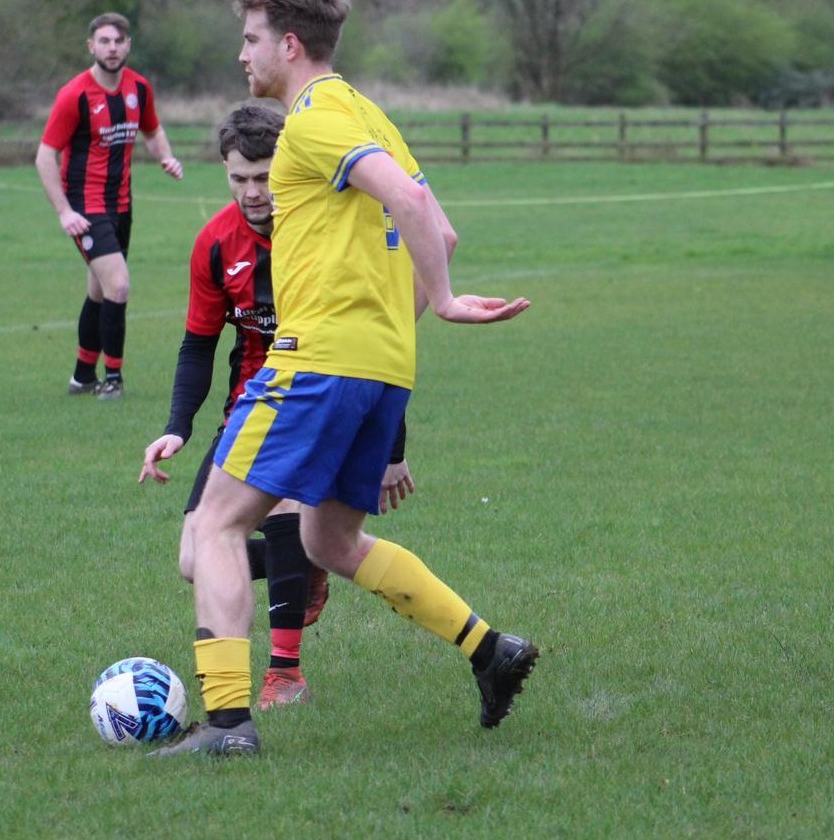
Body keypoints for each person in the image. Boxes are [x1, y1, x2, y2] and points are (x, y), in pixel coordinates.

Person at [150, 0, 536, 758]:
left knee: (214, 526)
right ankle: (490, 650)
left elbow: (414, 202)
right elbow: (441, 225)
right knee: (330, 538)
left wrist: (449, 300)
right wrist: (398, 322)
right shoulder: (370, 113)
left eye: (251, 38)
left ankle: (226, 725)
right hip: (382, 367)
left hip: (317, 360)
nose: (242, 54)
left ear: (289, 43)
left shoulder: (316, 116)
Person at [139, 103, 418, 712]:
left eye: (264, 176)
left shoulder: (323, 233)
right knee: (194, 559)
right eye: (239, 178)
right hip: (250, 405)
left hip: (320, 398)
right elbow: (198, 344)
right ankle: (307, 564)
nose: (253, 191)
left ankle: (284, 673)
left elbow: (381, 337)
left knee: (285, 505)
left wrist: (393, 448)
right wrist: (177, 428)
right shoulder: (215, 242)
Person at [35, 11, 184, 401]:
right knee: (118, 284)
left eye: (118, 41)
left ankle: (83, 376)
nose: (112, 48)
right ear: (91, 46)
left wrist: (165, 157)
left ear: (128, 45)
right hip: (86, 208)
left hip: (121, 206)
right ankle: (112, 380)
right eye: (104, 41)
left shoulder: (139, 89)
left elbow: (152, 130)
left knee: (100, 291)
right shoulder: (75, 95)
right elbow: (44, 156)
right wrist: (65, 212)